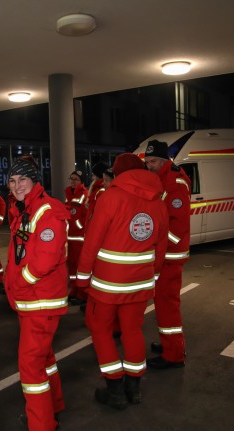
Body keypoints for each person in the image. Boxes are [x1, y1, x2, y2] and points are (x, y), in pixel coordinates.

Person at [76, 153, 168, 410]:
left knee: (101, 330)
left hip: (107, 283)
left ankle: (114, 388)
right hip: (140, 283)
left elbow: (92, 241)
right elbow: (161, 247)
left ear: (117, 174)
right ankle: (133, 387)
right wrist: (154, 275)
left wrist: (82, 279)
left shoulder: (111, 197)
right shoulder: (159, 202)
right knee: (133, 330)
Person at [5, 156, 69, 431]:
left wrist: (19, 283)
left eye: (23, 180)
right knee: (44, 359)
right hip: (32, 301)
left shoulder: (47, 211)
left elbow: (45, 260)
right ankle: (53, 406)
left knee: (30, 368)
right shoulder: (25, 209)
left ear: (35, 181)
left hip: (39, 301)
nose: (17, 186)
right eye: (12, 180)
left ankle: (42, 424)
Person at [143, 140, 191, 369]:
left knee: (167, 304)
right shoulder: (162, 178)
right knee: (163, 303)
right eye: (147, 162)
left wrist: (159, 250)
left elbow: (177, 227)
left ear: (163, 160)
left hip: (170, 256)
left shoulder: (174, 181)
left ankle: (173, 355)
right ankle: (170, 344)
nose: (149, 165)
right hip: (166, 254)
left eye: (152, 161)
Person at [64, 170, 88, 305]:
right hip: (70, 236)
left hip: (79, 237)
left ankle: (82, 293)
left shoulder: (84, 195)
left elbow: (86, 215)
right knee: (71, 265)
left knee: (80, 266)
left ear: (81, 181)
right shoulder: (68, 193)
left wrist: (77, 225)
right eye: (71, 178)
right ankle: (73, 288)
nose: (73, 181)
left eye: (76, 179)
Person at [84, 161, 109, 228]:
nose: (92, 178)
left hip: (95, 227)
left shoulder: (101, 191)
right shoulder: (96, 188)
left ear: (99, 175)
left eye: (93, 175)